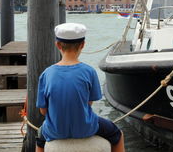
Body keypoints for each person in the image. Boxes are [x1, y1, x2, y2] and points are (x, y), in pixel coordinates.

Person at [36, 22, 125, 152]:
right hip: (86, 128)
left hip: (55, 130)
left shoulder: (46, 74)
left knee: (39, 138)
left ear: (58, 45)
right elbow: (89, 103)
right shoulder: (89, 71)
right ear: (82, 45)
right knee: (117, 134)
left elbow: (43, 111)